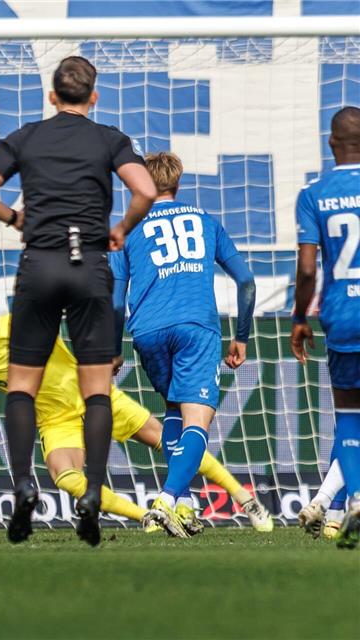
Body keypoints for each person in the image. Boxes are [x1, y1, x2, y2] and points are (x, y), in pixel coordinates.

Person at [0, 289, 273, 536]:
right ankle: (148, 514)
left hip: (95, 397)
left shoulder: (26, 320)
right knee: (64, 477)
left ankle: (245, 499)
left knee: (173, 442)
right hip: (57, 421)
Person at [0, 56, 157, 546]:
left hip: (41, 265)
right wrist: (120, 228)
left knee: (21, 388)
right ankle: (92, 490)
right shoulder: (109, 138)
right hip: (89, 265)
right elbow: (146, 189)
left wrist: (14, 218)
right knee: (96, 391)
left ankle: (24, 485)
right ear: (93, 97)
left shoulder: (25, 137)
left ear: (52, 96)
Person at [111, 151, 256, 533]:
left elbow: (113, 297)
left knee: (174, 409)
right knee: (197, 421)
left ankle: (185, 506)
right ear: (177, 182)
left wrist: (112, 348)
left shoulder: (127, 228)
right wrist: (241, 335)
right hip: (196, 326)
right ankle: (167, 499)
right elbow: (246, 281)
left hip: (147, 331)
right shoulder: (205, 220)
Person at [290, 105, 360, 550]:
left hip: (344, 318)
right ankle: (339, 501)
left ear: (331, 143)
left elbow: (307, 267)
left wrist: (299, 317)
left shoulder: (313, 195)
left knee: (350, 419)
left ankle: (347, 498)